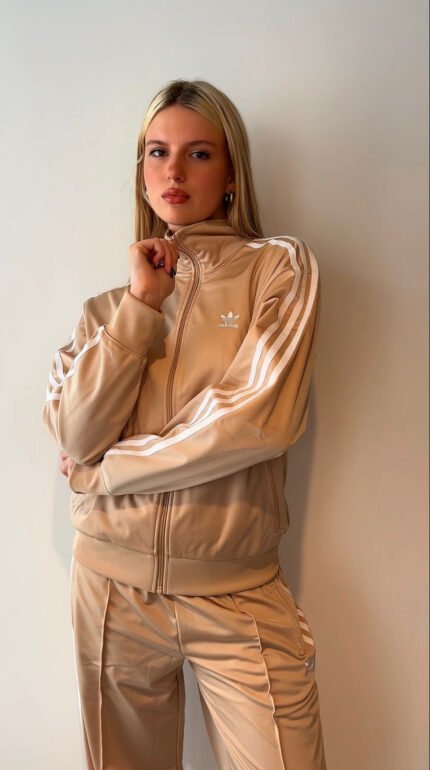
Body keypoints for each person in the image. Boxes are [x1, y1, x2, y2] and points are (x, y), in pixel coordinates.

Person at [42, 78, 327, 770]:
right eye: (157, 152)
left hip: (238, 592)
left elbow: (255, 418)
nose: (173, 170)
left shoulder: (279, 269)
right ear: (141, 173)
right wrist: (142, 305)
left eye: (199, 154)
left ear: (231, 174)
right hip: (112, 590)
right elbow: (75, 434)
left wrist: (107, 472)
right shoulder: (106, 310)